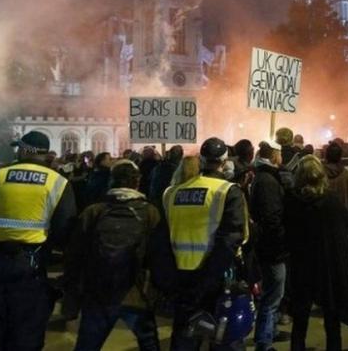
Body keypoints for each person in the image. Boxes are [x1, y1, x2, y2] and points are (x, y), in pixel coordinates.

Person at [0, 131, 77, 350]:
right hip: (31, 264)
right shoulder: (57, 182)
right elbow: (65, 227)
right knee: (27, 327)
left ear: (25, 150)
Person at [65, 159, 162, 351]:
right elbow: (157, 255)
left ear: (112, 181)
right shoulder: (149, 212)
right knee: (149, 343)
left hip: (98, 292)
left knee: (87, 345)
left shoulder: (94, 211)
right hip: (134, 292)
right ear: (137, 181)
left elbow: (74, 255)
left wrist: (73, 292)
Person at [162, 140, 249, 351]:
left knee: (184, 337)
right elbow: (232, 239)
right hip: (216, 280)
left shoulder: (171, 193)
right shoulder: (228, 191)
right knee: (223, 338)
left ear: (201, 160)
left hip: (181, 278)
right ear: (224, 161)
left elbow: (163, 239)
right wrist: (208, 280)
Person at [284, 155, 348, 351]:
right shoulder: (331, 201)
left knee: (300, 318)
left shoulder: (292, 201)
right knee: (331, 318)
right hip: (327, 265)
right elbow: (344, 228)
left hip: (301, 264)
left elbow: (287, 231)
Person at [250, 142, 289, 351]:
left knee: (273, 293)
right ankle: (264, 343)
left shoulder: (264, 176)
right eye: (280, 153)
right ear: (275, 155)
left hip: (268, 245)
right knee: (272, 296)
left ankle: (270, 331)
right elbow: (271, 217)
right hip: (273, 248)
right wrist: (281, 241)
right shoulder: (267, 180)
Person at [324, 142, 348, 211]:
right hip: (343, 216)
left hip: (323, 216)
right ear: (340, 157)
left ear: (326, 156)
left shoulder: (319, 175)